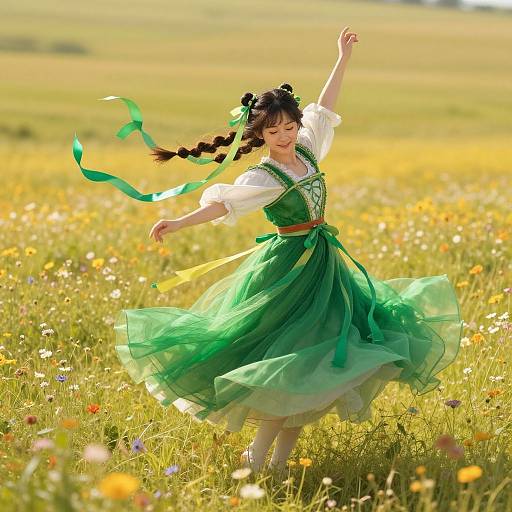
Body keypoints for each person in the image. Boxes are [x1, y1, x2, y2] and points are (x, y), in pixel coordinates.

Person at [112, 27, 463, 474]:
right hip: (286, 273)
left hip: (324, 268)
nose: (284, 135)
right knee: (290, 368)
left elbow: (326, 106)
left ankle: (278, 461)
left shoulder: (310, 151)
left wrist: (342, 58)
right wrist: (178, 222)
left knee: (317, 374)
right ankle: (256, 459)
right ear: (259, 134)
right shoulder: (263, 178)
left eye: (290, 127)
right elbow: (223, 204)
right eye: (274, 130)